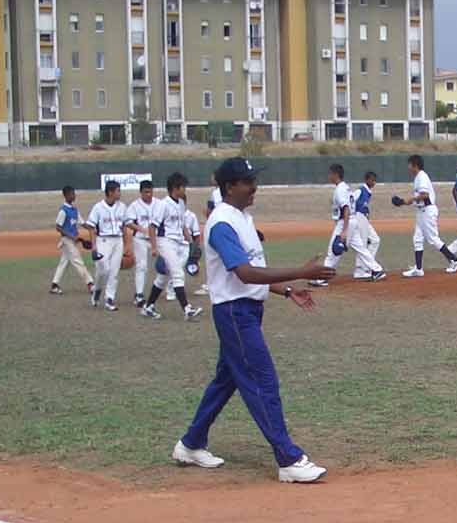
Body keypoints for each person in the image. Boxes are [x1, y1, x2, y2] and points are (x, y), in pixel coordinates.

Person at [174, 158, 334, 483]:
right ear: (230, 187)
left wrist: (287, 290)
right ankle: (288, 458)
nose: (254, 187)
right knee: (262, 381)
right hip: (235, 313)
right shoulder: (221, 224)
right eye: (247, 181)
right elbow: (244, 273)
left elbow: (252, 272)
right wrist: (302, 272)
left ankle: (191, 444)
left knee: (226, 381)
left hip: (246, 310)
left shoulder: (242, 217)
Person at [142, 172, 203, 320]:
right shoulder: (163, 205)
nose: (185, 190)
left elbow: (182, 226)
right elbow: (152, 227)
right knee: (178, 273)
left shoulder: (181, 204)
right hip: (165, 241)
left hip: (179, 243)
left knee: (163, 277)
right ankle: (187, 310)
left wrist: (190, 243)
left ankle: (148, 306)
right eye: (183, 187)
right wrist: (155, 247)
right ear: (175, 188)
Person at [402, 153, 457, 277]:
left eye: (409, 165)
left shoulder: (422, 176)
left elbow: (425, 195)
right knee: (417, 239)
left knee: (433, 239)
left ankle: (454, 260)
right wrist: (405, 202)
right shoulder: (418, 177)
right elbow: (420, 198)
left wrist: (410, 200)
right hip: (421, 211)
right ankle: (418, 268)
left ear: (415, 165)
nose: (408, 167)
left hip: (428, 211)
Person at [84, 180, 128, 311]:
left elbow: (124, 226)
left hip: (118, 240)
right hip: (103, 240)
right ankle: (97, 289)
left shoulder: (122, 207)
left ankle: (109, 298)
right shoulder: (98, 207)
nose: (119, 193)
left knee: (114, 271)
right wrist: (93, 246)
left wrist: (127, 245)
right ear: (110, 192)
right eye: (117, 190)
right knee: (104, 269)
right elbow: (91, 227)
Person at [50, 185, 96, 297]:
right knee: (78, 261)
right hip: (67, 240)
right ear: (65, 196)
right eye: (71, 194)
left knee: (64, 262)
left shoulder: (74, 210)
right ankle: (90, 283)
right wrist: (71, 236)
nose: (74, 195)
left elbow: (83, 223)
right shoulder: (63, 211)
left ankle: (54, 285)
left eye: (74, 193)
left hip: (73, 240)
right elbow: (58, 227)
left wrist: (93, 228)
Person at [348, 171, 387, 281]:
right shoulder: (361, 190)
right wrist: (353, 216)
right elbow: (350, 200)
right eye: (372, 179)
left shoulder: (368, 192)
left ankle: (365, 267)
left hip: (364, 218)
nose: (374, 182)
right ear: (366, 180)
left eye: (375, 180)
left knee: (375, 240)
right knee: (363, 243)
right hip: (359, 217)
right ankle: (360, 270)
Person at [319, 163, 353, 287]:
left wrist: (344, 230)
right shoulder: (344, 187)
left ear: (335, 174)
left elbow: (346, 208)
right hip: (349, 221)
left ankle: (322, 278)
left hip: (344, 221)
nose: (329, 176)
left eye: (330, 174)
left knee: (333, 251)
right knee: (358, 246)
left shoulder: (340, 189)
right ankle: (375, 269)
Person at [126, 179, 156, 306]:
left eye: (150, 192)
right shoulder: (134, 205)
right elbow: (128, 222)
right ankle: (139, 294)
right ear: (140, 192)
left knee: (167, 263)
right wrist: (141, 229)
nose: (148, 194)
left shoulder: (159, 204)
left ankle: (171, 289)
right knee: (142, 266)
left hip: (156, 239)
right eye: (145, 192)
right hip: (140, 239)